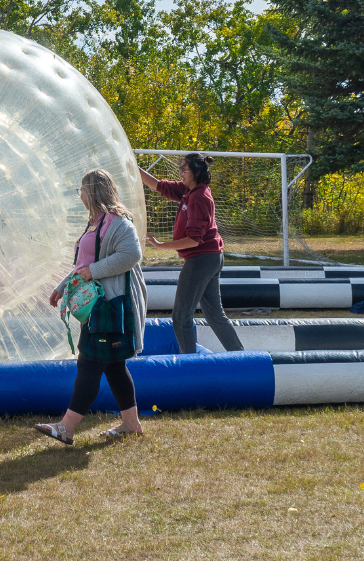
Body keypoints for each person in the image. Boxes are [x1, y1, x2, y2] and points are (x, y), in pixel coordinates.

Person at [37, 169, 149, 444]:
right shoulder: (95, 223)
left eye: (82, 190)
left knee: (88, 364)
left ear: (93, 192)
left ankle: (66, 427)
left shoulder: (118, 223)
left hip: (108, 305)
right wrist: (62, 287)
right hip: (96, 306)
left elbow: (132, 255)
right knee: (114, 368)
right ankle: (131, 425)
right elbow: (82, 266)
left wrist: (94, 271)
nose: (81, 196)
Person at [140, 153, 242, 354]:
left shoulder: (198, 197)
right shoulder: (189, 191)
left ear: (196, 173)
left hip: (202, 259)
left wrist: (161, 245)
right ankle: (240, 355)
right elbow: (156, 184)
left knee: (180, 316)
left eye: (184, 170)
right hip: (211, 257)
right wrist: (132, 167)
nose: (180, 173)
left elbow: (194, 240)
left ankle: (189, 362)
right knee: (214, 314)